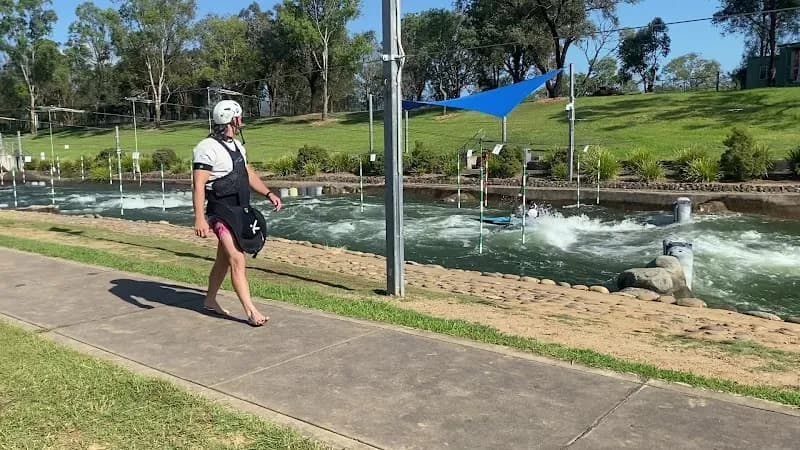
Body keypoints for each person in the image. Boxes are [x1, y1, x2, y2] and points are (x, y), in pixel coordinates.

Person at [191, 99, 282, 327]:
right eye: (239, 117)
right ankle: (251, 311)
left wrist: (269, 193)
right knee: (237, 259)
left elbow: (247, 174)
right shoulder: (206, 148)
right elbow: (198, 185)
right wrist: (200, 218)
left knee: (223, 260)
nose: (242, 121)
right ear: (231, 119)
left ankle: (210, 299)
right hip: (220, 212)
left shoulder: (238, 146)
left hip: (239, 210)